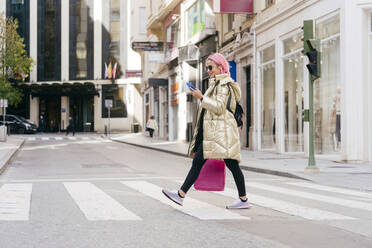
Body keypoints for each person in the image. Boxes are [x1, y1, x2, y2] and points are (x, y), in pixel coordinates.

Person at [162, 53, 250, 209]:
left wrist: (201, 97)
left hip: (220, 134)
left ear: (220, 67)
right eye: (207, 67)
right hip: (216, 133)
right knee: (215, 163)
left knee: (230, 165)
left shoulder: (223, 85)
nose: (208, 70)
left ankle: (181, 194)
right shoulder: (215, 84)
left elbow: (219, 107)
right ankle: (181, 194)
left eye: (211, 67)